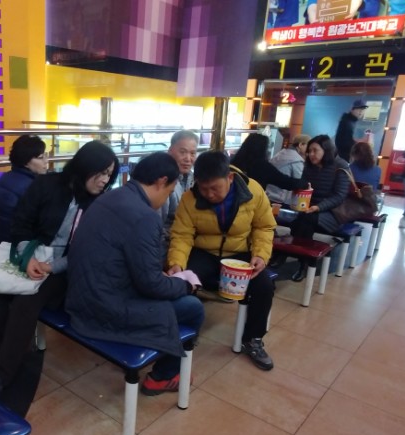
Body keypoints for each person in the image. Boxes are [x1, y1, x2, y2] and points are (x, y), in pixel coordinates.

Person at [0, 141, 119, 396]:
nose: (105, 181)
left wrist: (52, 267)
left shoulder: (100, 205)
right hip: (32, 255)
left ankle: (2, 374)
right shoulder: (46, 185)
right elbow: (21, 223)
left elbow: (87, 252)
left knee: (26, 301)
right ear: (85, 167)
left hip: (66, 271)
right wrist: (27, 257)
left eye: (109, 175)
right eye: (102, 173)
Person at [67, 152, 204, 396]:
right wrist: (185, 285)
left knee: (172, 293)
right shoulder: (144, 217)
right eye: (169, 191)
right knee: (193, 307)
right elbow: (151, 284)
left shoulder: (110, 197)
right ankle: (164, 376)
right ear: (162, 182)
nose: (166, 198)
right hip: (104, 307)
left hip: (80, 296)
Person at [167, 152, 277, 370]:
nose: (209, 194)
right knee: (181, 282)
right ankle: (183, 334)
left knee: (264, 285)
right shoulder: (190, 199)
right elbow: (182, 235)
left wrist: (260, 255)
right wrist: (176, 264)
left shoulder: (253, 191)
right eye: (204, 188)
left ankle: (253, 339)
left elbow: (264, 226)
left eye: (215, 188)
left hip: (239, 253)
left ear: (230, 178)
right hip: (205, 253)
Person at [288, 134, 350, 282]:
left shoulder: (341, 166)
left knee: (304, 220)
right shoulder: (309, 165)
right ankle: (301, 260)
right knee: (301, 220)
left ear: (326, 150)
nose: (311, 154)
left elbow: (340, 196)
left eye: (315, 150)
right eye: (309, 151)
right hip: (310, 209)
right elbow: (304, 186)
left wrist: (318, 207)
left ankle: (300, 262)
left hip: (333, 213)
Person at [0, 135, 48, 245]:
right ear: (26, 162)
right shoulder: (31, 188)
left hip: (2, 245)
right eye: (41, 157)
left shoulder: (5, 178)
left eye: (46, 155)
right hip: (21, 249)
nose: (46, 161)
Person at [230, 132, 309, 204]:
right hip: (252, 202)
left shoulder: (234, 161)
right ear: (262, 149)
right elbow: (284, 181)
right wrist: (304, 184)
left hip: (232, 201)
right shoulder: (263, 166)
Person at [158, 130, 199, 256]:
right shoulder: (162, 180)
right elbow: (157, 226)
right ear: (170, 151)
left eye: (192, 153)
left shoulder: (195, 179)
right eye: (183, 152)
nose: (188, 159)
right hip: (166, 246)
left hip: (189, 242)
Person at [266, 133, 311, 205]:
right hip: (280, 200)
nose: (310, 151)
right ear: (301, 145)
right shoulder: (296, 160)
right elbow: (300, 182)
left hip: (268, 195)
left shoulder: (281, 153)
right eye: (309, 146)